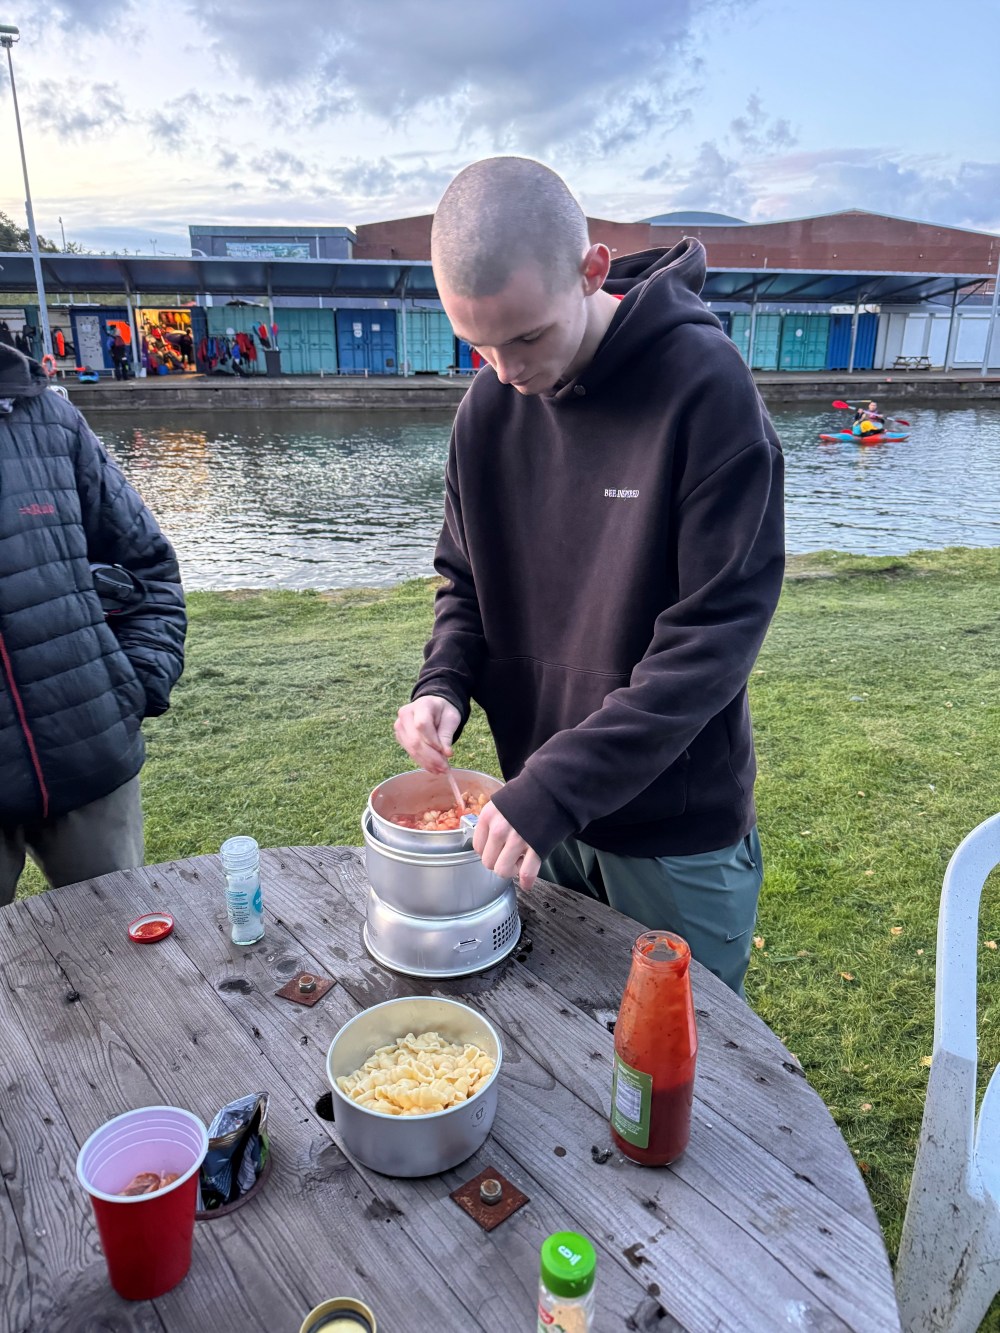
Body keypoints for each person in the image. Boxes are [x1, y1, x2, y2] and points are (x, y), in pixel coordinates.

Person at [393, 157, 785, 997]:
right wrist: (444, 684)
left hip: (675, 829)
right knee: (564, 1043)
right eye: (478, 343)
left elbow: (709, 649)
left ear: (592, 270)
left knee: (684, 1068)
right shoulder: (486, 411)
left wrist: (551, 790)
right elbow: (464, 581)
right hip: (541, 815)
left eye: (526, 336)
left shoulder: (706, 392)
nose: (506, 370)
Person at [0, 343, 187, 906]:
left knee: (127, 962)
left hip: (90, 758)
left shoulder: (50, 418)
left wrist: (131, 687)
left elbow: (147, 563)